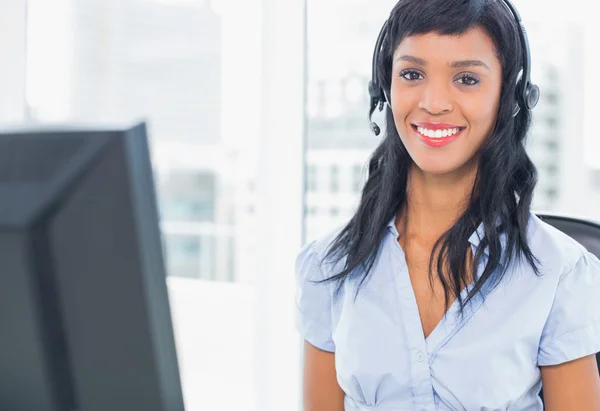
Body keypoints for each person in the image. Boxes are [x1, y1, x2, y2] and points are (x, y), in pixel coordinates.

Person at [294, 0, 600, 410]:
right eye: (412, 74)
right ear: (384, 87)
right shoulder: (330, 266)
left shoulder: (557, 273)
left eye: (467, 79)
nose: (434, 102)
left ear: (510, 96)